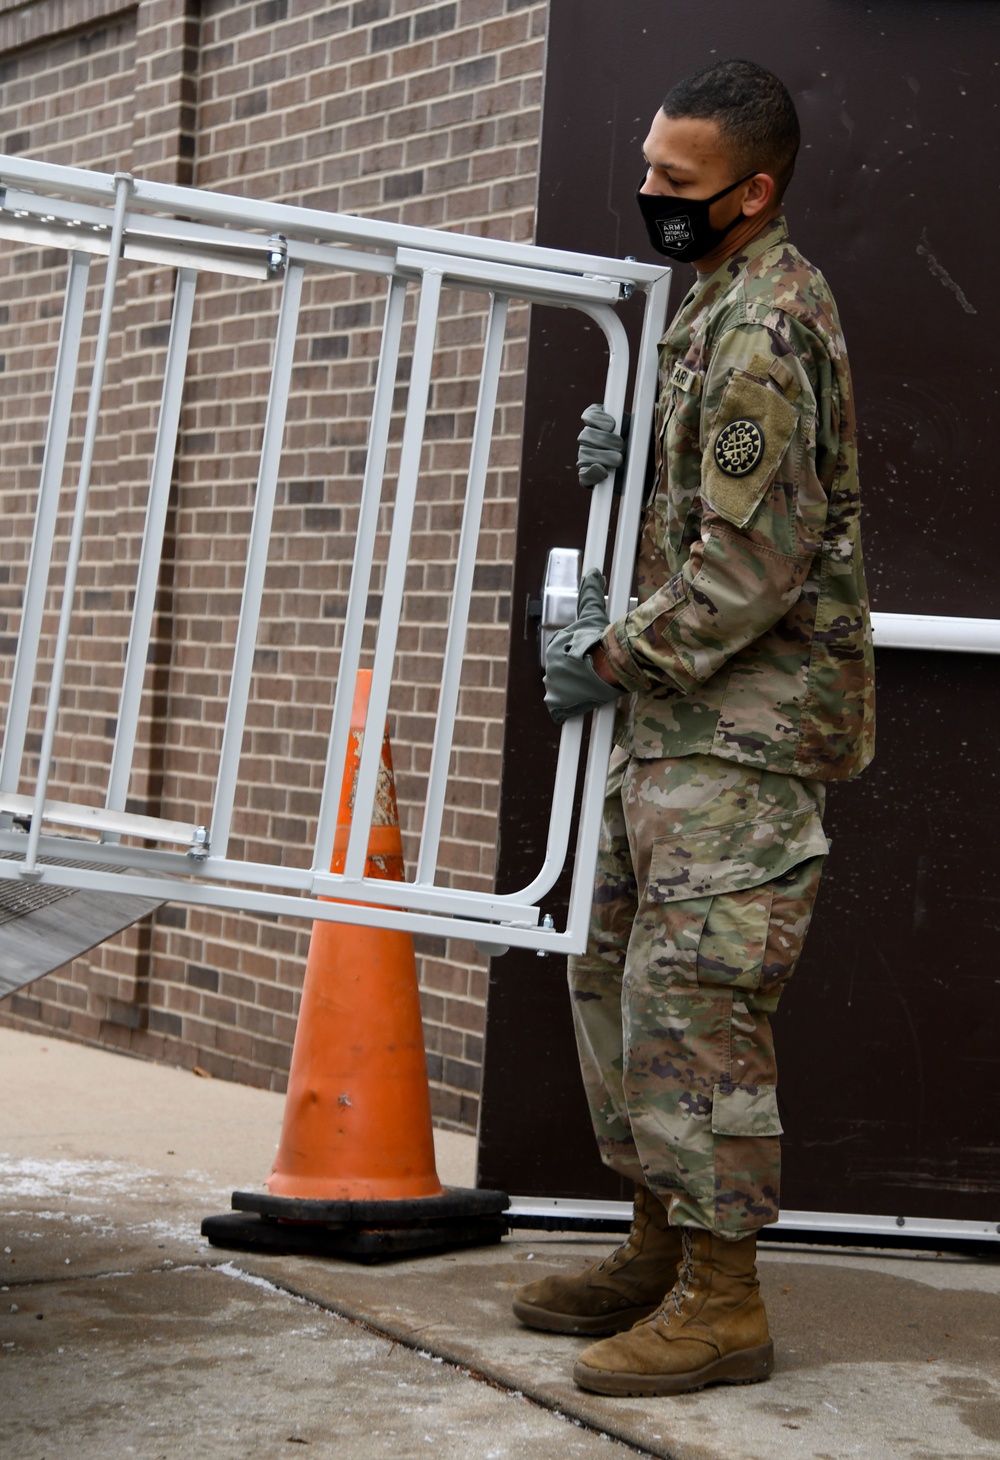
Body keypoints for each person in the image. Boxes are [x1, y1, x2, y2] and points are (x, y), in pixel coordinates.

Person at [514, 58, 875, 1398]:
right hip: (678, 729)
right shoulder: (713, 301)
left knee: (699, 1008)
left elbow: (750, 573)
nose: (651, 193)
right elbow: (712, 518)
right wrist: (644, 464)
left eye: (679, 179)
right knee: (612, 974)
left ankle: (724, 1299)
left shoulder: (768, 324)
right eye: (651, 166)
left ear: (754, 190)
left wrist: (612, 654)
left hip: (743, 738)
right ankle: (660, 1241)